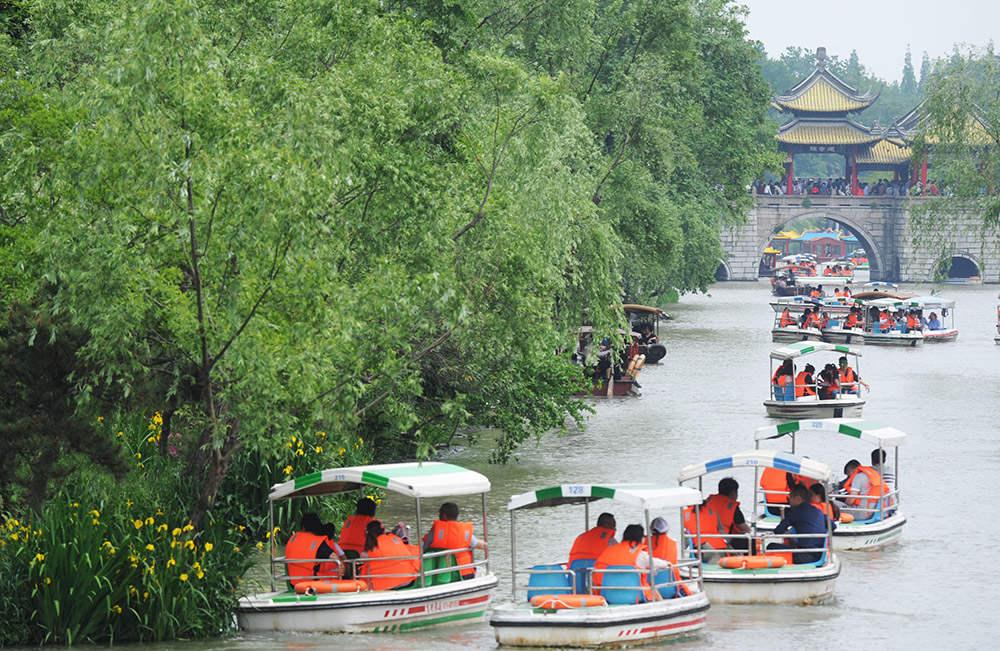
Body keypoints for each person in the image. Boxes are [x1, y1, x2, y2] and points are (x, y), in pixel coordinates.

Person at [593, 524, 671, 603]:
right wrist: (667, 563)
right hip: (634, 596)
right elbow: (657, 563)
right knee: (652, 588)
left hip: (607, 595)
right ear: (640, 537)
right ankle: (662, 606)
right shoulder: (640, 554)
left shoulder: (608, 551)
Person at [683, 477, 751, 559]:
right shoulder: (714, 510)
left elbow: (686, 540)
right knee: (748, 539)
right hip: (719, 543)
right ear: (733, 492)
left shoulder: (708, 503)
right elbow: (743, 529)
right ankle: (751, 560)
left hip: (703, 546)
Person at [423, 502, 487, 580]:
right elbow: (481, 545)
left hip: (444, 576)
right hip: (466, 573)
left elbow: (423, 551)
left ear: (444, 515)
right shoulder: (465, 532)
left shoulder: (435, 532)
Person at [766, 485, 828, 564]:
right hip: (819, 554)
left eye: (790, 498)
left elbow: (778, 531)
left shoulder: (795, 511)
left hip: (803, 556)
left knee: (771, 546)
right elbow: (833, 526)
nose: (788, 501)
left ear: (798, 498)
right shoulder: (819, 511)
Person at [359, 520, 420, 590]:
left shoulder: (368, 552)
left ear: (366, 533)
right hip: (408, 581)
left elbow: (362, 560)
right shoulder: (395, 539)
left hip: (383, 587)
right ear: (383, 531)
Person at [285, 512, 337, 586]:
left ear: (303, 527)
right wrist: (341, 566)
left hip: (294, 584)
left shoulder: (293, 539)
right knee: (336, 575)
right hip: (312, 583)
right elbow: (334, 558)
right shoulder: (318, 542)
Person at [647, 517, 688, 598]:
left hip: (649, 590)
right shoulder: (672, 544)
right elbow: (676, 571)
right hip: (671, 588)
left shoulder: (644, 544)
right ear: (667, 530)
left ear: (651, 530)